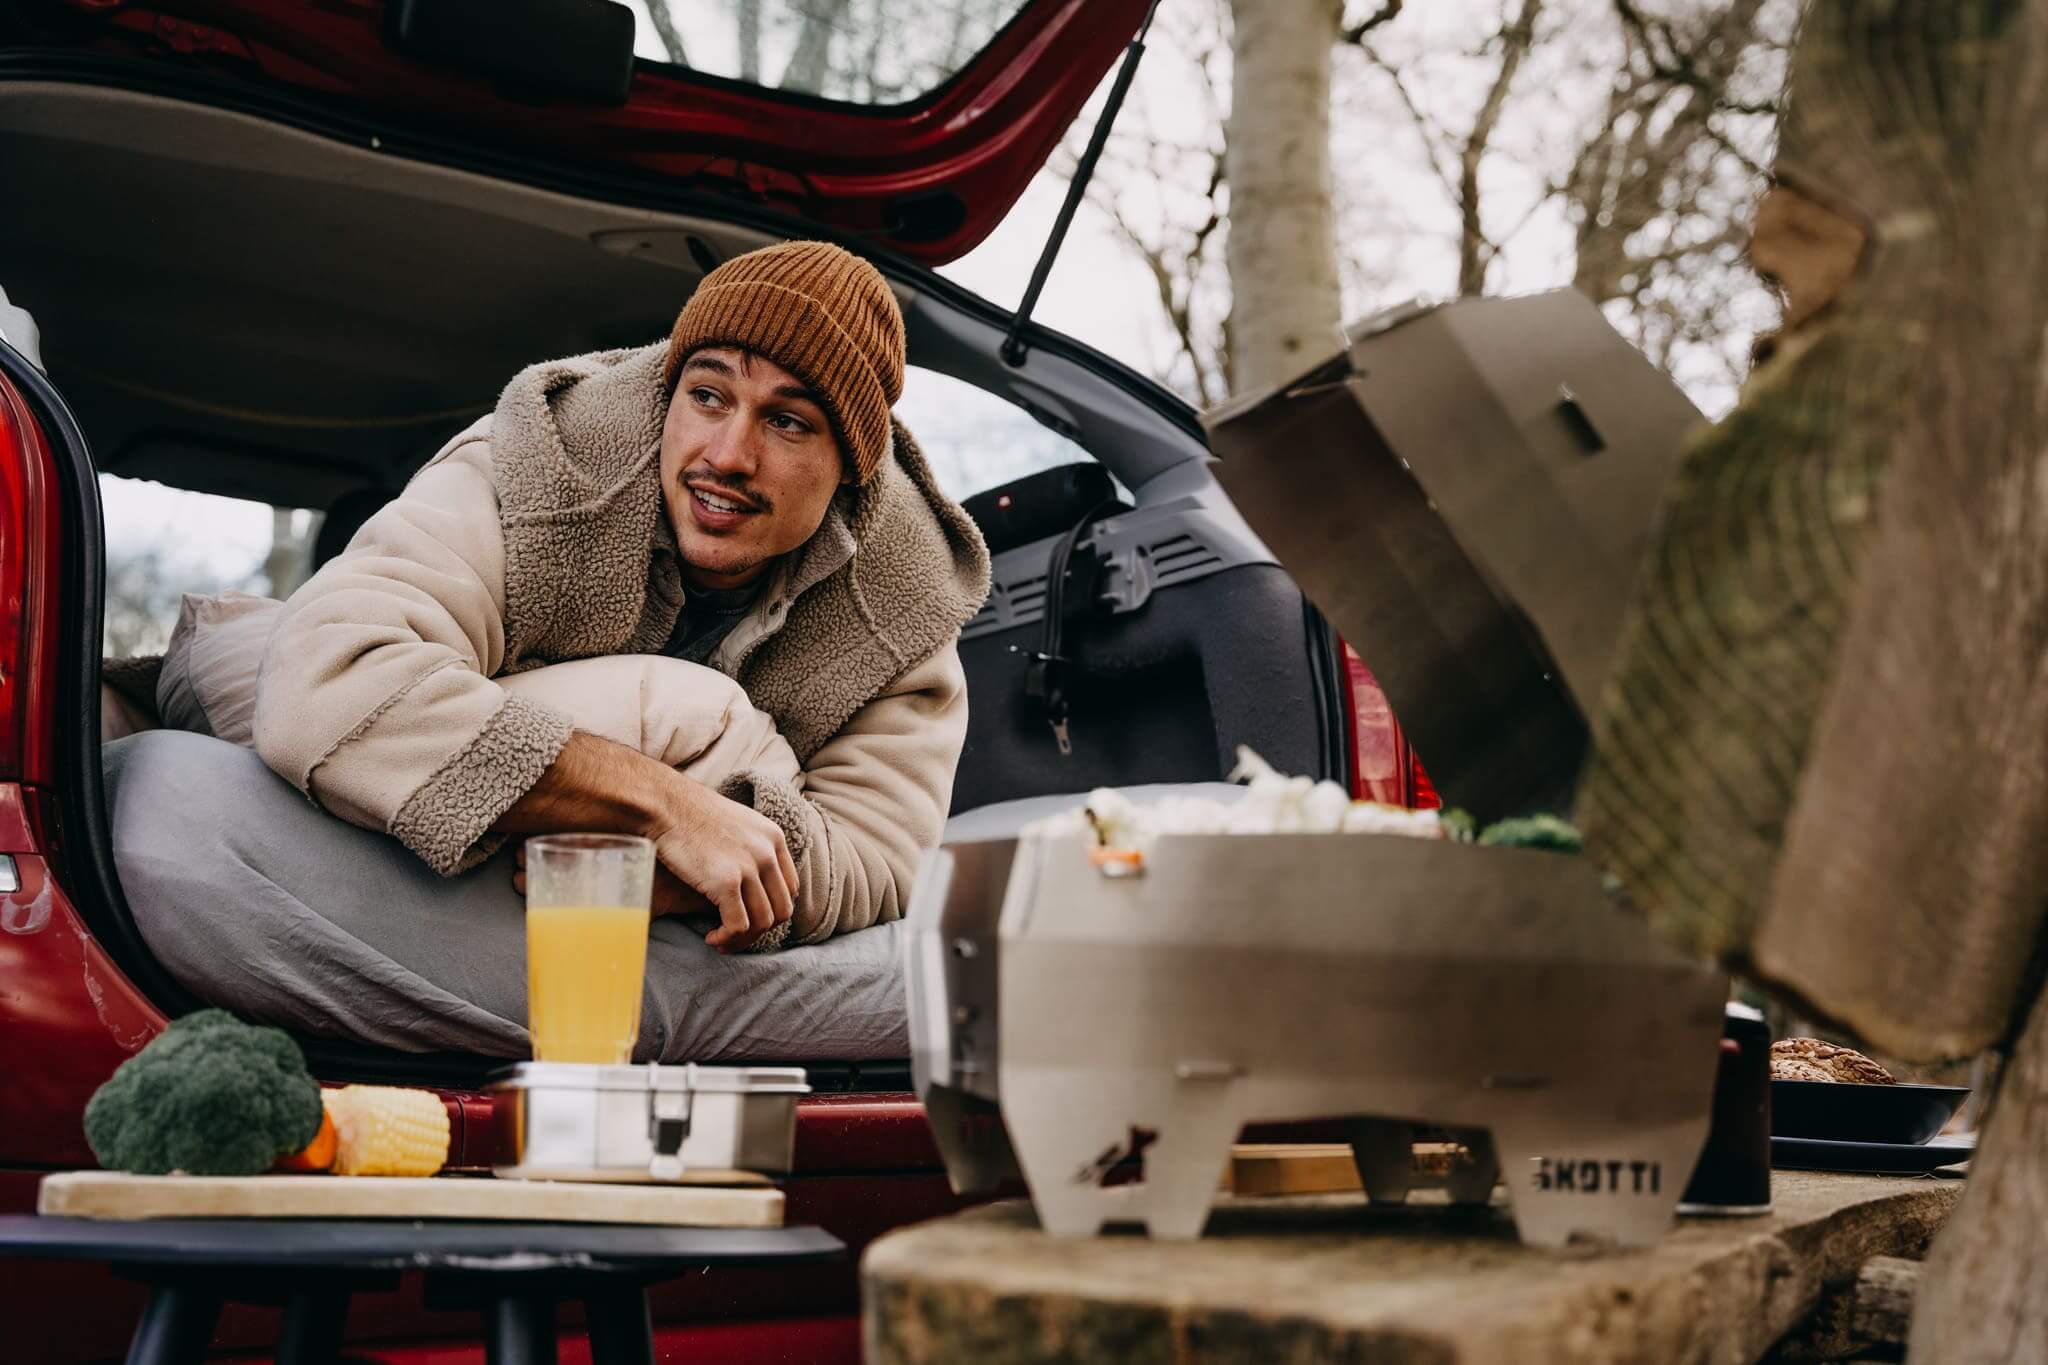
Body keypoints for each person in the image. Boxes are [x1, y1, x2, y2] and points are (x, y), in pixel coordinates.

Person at [109, 240, 990, 1058]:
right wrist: (666, 810)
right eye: (709, 395)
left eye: (789, 422)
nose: (728, 453)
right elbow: (328, 679)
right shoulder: (540, 460)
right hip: (312, 682)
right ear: (669, 393)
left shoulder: (902, 602)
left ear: (853, 465)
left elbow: (879, 853)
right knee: (248, 668)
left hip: (504, 784)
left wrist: (693, 875)